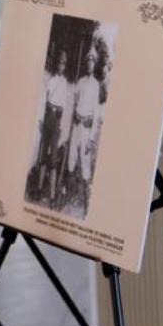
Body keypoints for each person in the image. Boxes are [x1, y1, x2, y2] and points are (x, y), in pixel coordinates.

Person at [68, 44, 101, 211]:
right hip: (76, 125)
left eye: (93, 61)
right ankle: (71, 193)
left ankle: (86, 200)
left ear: (95, 65)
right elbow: (74, 102)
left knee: (85, 159)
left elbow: (96, 114)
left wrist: (91, 139)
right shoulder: (80, 82)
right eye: (88, 61)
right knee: (72, 156)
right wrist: (74, 112)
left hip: (87, 127)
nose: (90, 64)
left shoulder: (96, 85)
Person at [37, 50, 72, 205]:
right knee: (43, 155)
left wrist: (62, 130)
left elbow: (65, 110)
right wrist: (41, 120)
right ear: (56, 64)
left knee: (53, 159)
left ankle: (51, 195)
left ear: (65, 66)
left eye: (63, 64)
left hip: (57, 120)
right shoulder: (51, 80)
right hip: (48, 118)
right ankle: (38, 190)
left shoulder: (65, 84)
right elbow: (44, 101)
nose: (61, 66)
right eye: (59, 63)